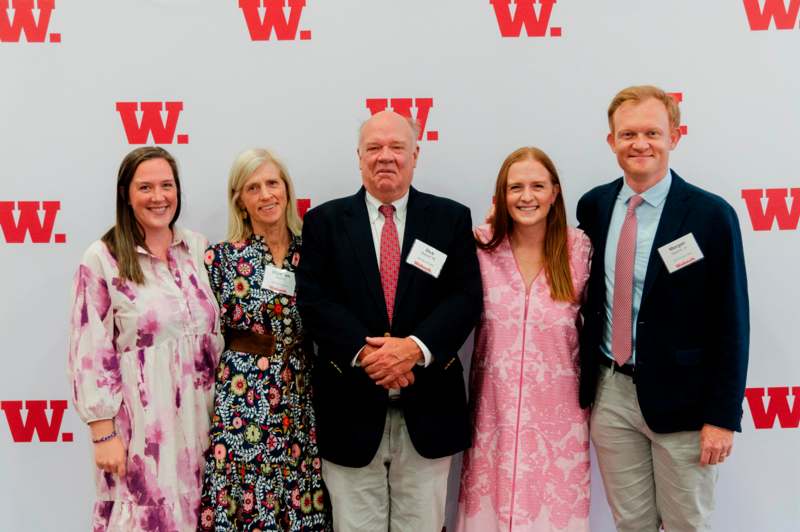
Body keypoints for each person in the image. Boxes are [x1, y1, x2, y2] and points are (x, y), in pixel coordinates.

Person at [295, 110, 482, 531]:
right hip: (349, 409)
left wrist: (413, 349)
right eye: (374, 148)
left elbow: (465, 298)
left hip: (429, 410)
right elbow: (314, 299)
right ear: (358, 157)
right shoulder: (324, 223)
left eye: (396, 147)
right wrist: (367, 355)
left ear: (415, 154)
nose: (385, 157)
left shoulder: (449, 219)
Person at [577, 85, 749, 531]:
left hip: (687, 403)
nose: (640, 144)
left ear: (675, 135)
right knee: (630, 524)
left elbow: (733, 322)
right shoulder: (594, 206)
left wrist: (722, 417)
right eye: (628, 133)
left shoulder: (711, 216)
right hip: (611, 393)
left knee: (686, 524)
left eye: (652, 132)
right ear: (610, 140)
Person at [68, 146, 224, 531]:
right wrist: (103, 432)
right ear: (126, 194)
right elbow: (90, 349)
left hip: (204, 420)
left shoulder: (198, 249)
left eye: (167, 185)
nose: (159, 197)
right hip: (142, 430)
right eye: (146, 187)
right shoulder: (103, 258)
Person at [456, 147, 592, 531]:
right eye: (516, 187)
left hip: (560, 422)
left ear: (555, 193)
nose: (527, 196)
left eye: (537, 186)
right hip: (492, 416)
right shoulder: (479, 246)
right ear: (500, 197)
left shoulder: (580, 248)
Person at [196, 148, 331, 531]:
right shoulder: (219, 259)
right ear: (239, 200)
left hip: (302, 392)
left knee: (299, 484)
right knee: (245, 490)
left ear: (287, 190)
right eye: (252, 187)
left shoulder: (315, 252)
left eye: (272, 183)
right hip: (243, 397)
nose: (265, 194)